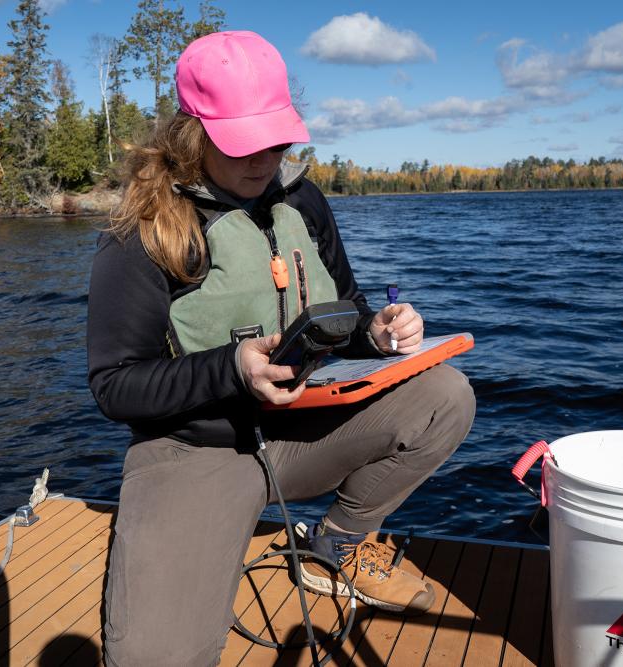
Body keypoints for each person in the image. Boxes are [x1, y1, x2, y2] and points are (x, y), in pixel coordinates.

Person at [87, 30, 475, 667]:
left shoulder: (304, 201)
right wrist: (231, 370)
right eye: (244, 142)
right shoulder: (143, 231)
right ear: (193, 133)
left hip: (305, 432)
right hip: (198, 450)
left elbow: (344, 310)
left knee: (445, 397)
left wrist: (375, 333)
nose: (264, 158)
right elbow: (114, 385)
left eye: (275, 137)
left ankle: (335, 548)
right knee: (154, 657)